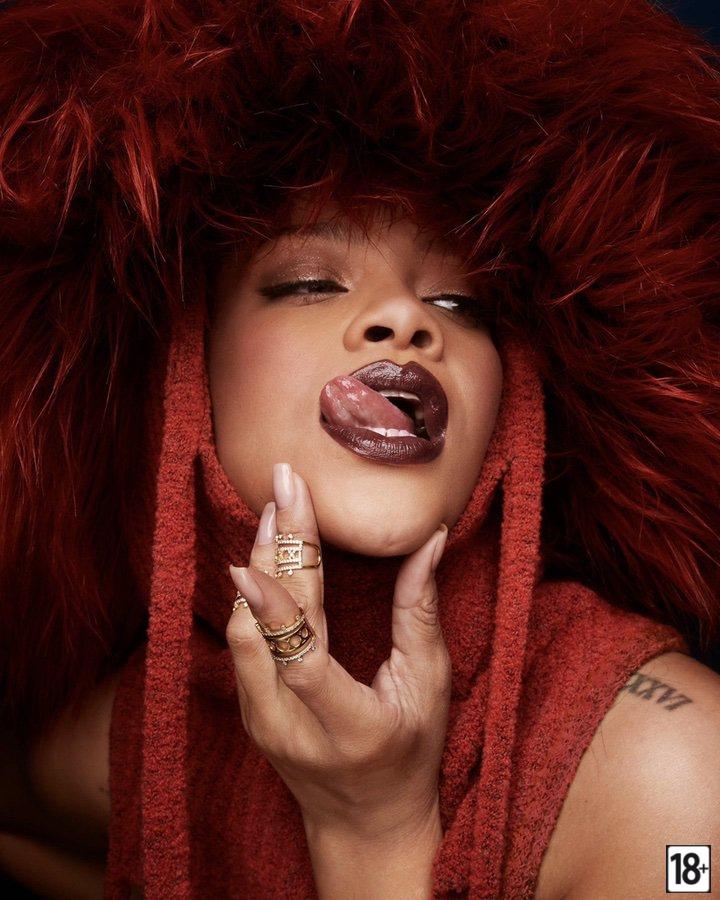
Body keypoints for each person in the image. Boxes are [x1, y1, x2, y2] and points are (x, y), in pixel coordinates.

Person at [1, 1, 719, 897]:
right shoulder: (150, 726)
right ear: (179, 369)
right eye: (309, 282)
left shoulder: (682, 783)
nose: (405, 320)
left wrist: (375, 829)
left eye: (460, 305)